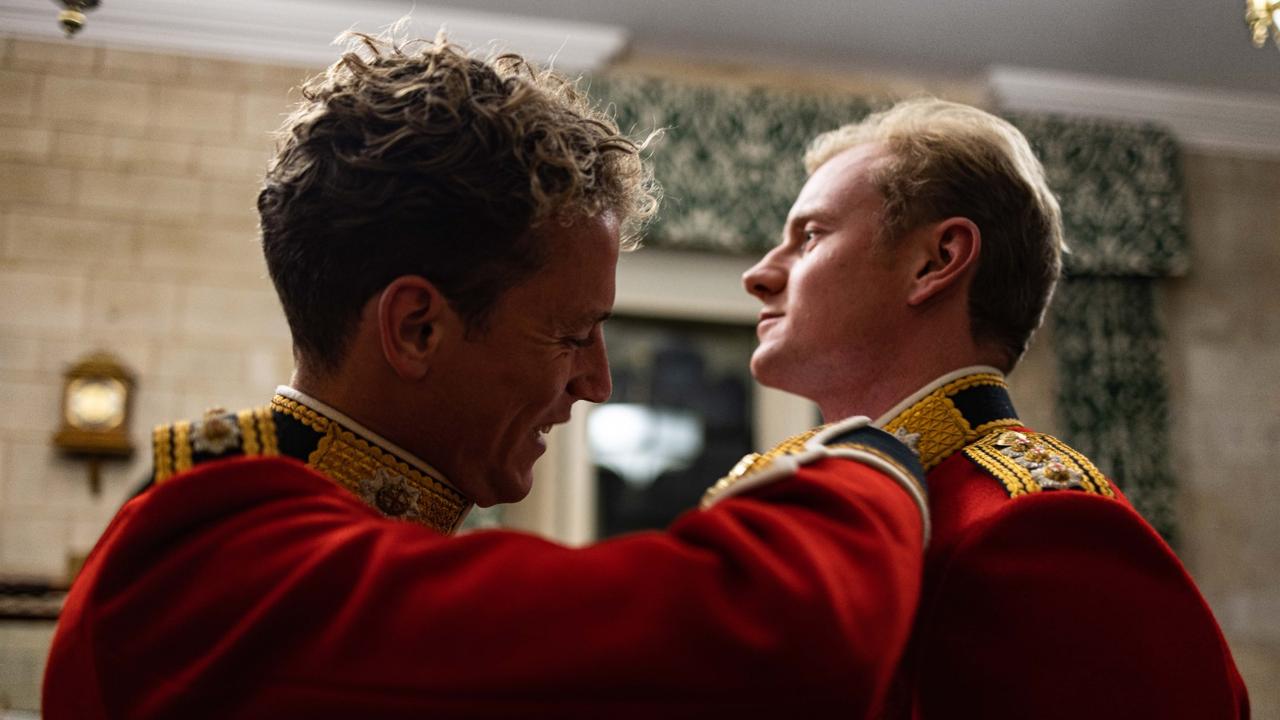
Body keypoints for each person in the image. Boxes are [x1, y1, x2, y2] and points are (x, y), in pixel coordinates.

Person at [42, 31, 931, 719]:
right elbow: (775, 638)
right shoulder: (224, 564)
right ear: (418, 327)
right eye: (572, 333)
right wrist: (873, 461)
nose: (599, 384)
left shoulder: (286, 532)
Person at [739, 98, 1250, 718]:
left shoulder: (1038, 526)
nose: (761, 274)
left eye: (810, 235)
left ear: (936, 261)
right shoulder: (813, 503)